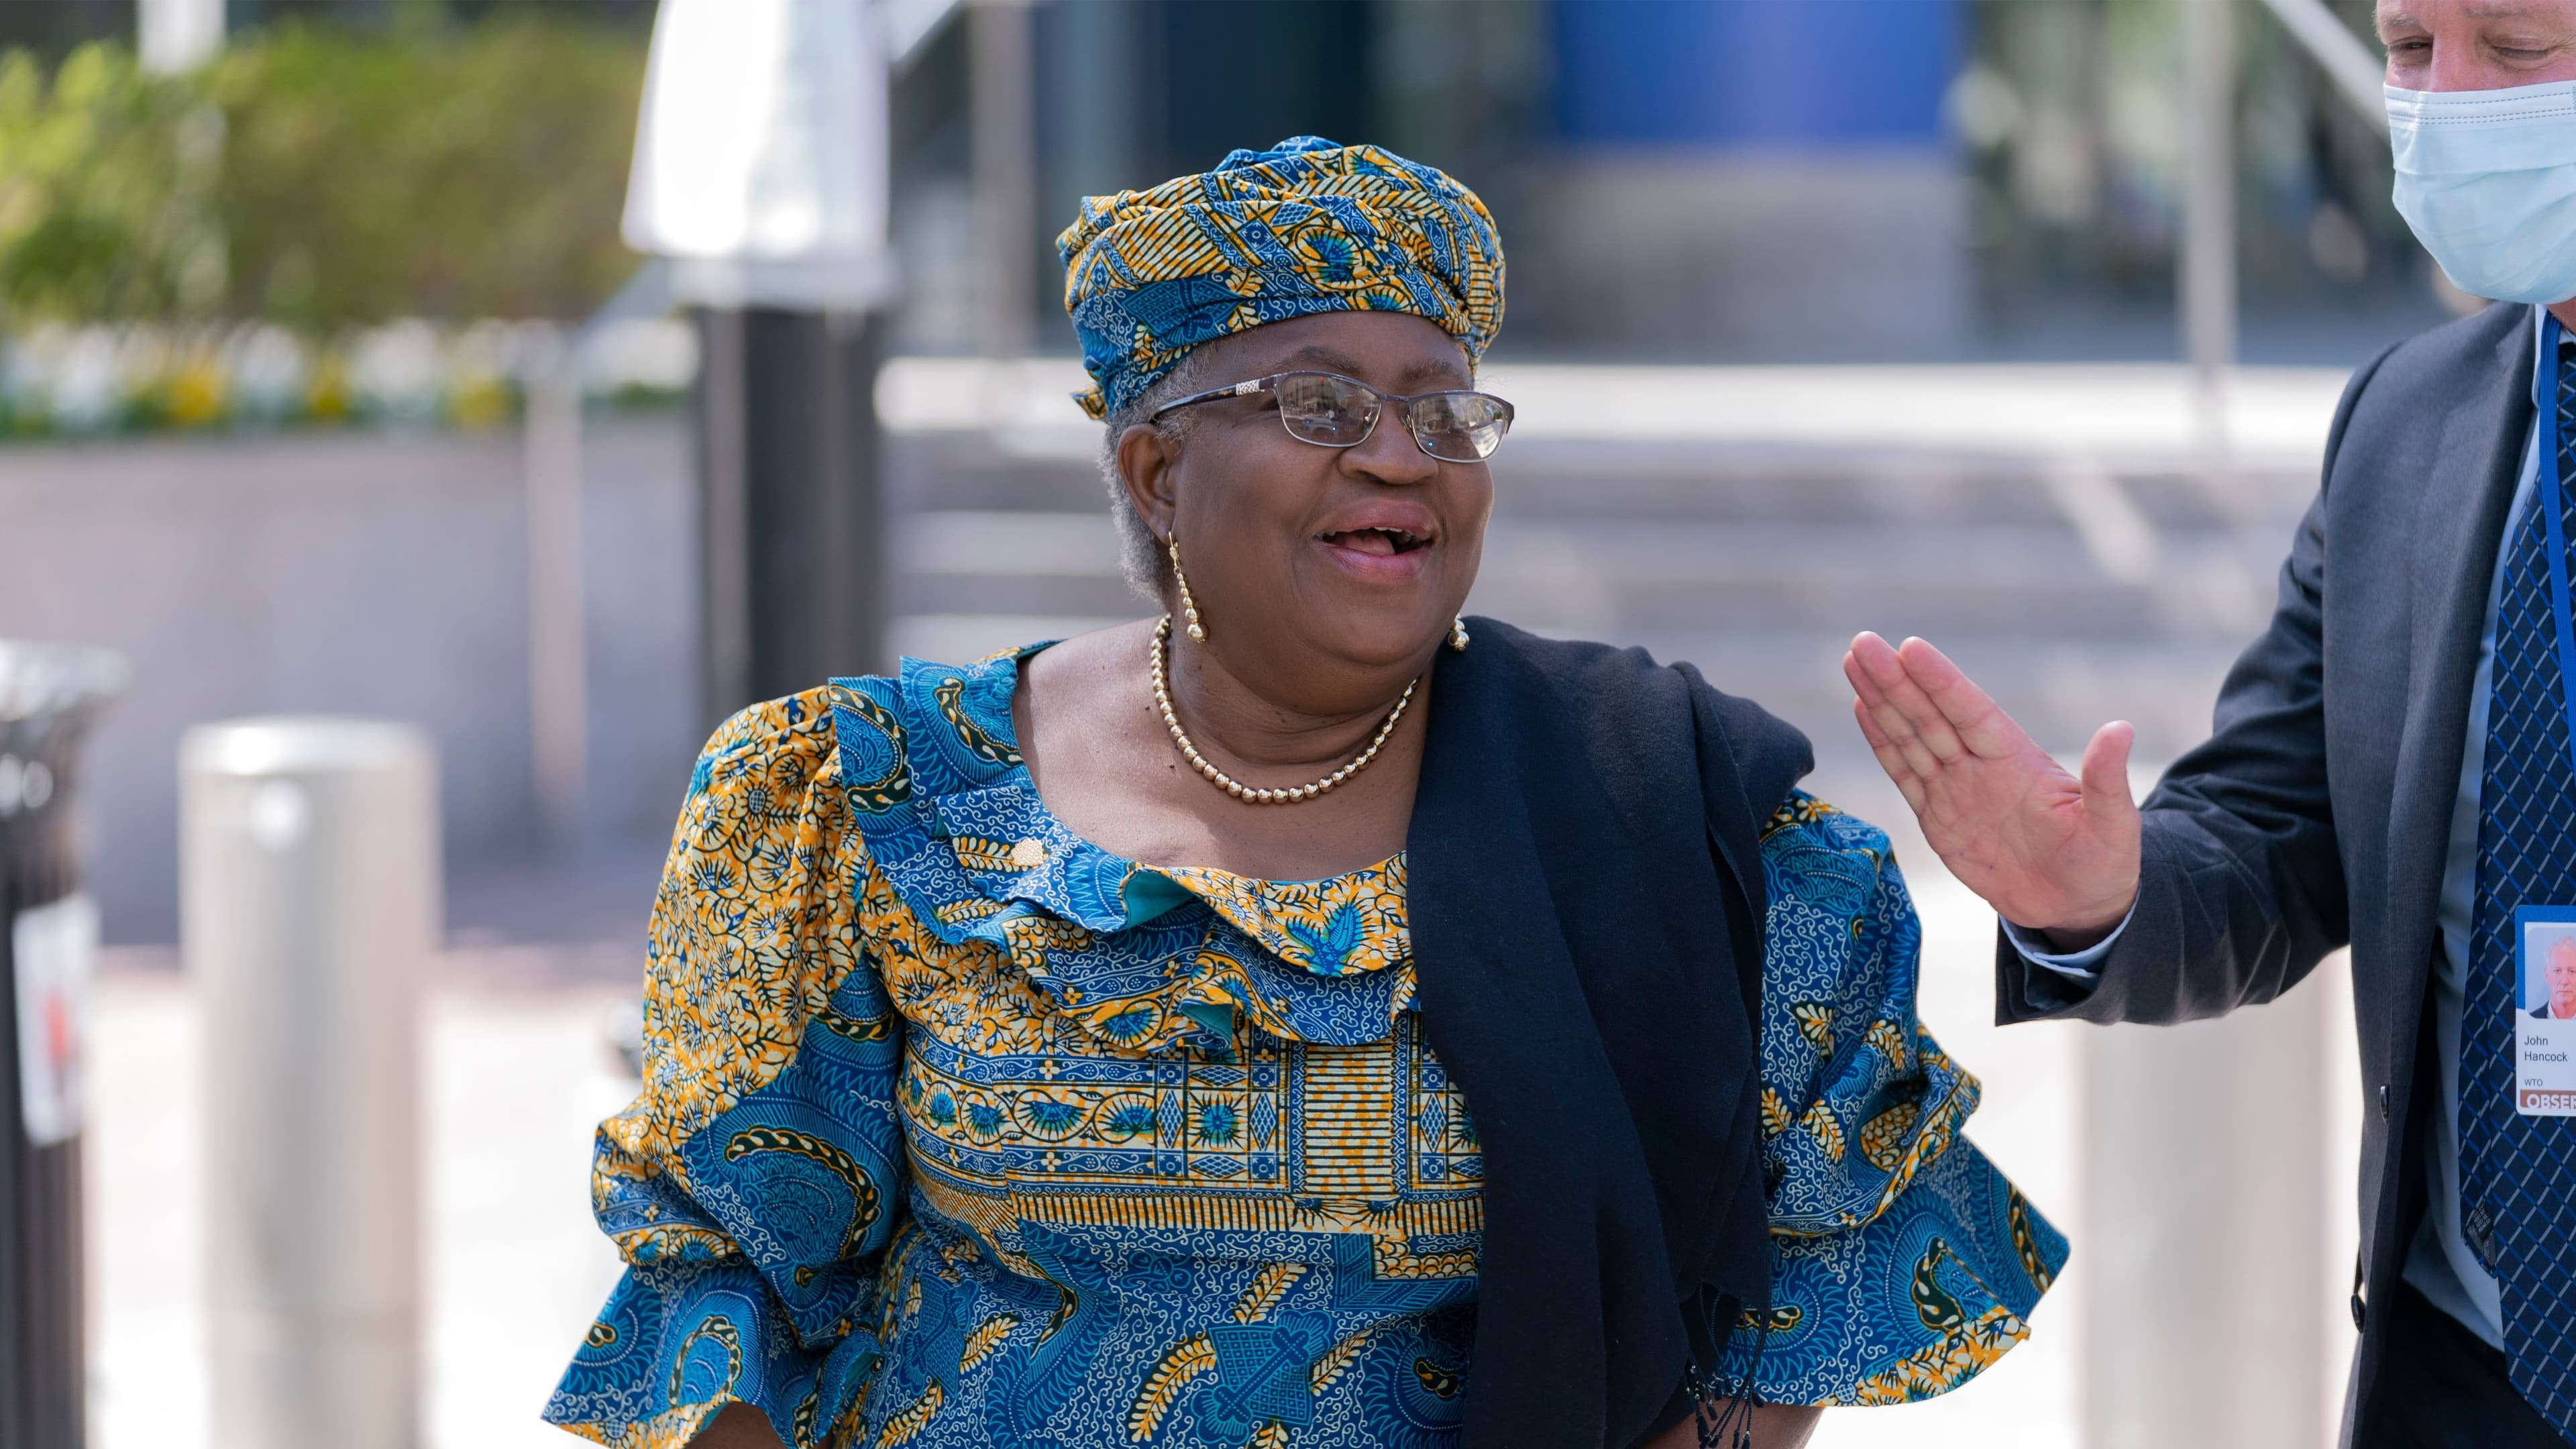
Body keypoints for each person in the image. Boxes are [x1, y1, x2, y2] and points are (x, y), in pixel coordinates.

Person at [544, 139, 2064, 1449]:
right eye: (1321, 405)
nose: (1400, 457)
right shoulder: (852, 800)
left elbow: (1804, 1268)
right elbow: (717, 1272)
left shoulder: (1657, 814)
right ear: (1153, 470)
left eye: (1442, 410)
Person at [1840, 2, 2576, 1444]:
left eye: (2516, 49)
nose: (2451, 104)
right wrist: (2094, 894)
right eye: (2412, 50)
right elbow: (2273, 828)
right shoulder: (2408, 426)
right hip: (2467, 1373)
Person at [2534, 938, 2576, 1022]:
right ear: (2547, 974)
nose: (2565, 981)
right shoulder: (2532, 1020)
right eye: (2557, 971)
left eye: (2572, 971)